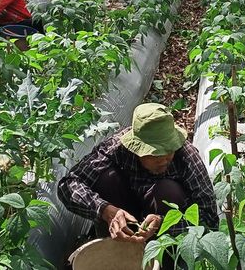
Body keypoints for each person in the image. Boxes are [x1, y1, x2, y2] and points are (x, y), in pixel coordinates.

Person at [57, 103, 218, 247]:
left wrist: (164, 223)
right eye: (154, 154)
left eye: (169, 150)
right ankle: (115, 250)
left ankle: (165, 263)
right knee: (107, 178)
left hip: (165, 235)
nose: (164, 159)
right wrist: (105, 210)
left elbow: (210, 218)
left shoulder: (186, 157)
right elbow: (68, 185)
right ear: (136, 148)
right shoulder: (117, 148)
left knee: (167, 191)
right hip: (126, 214)